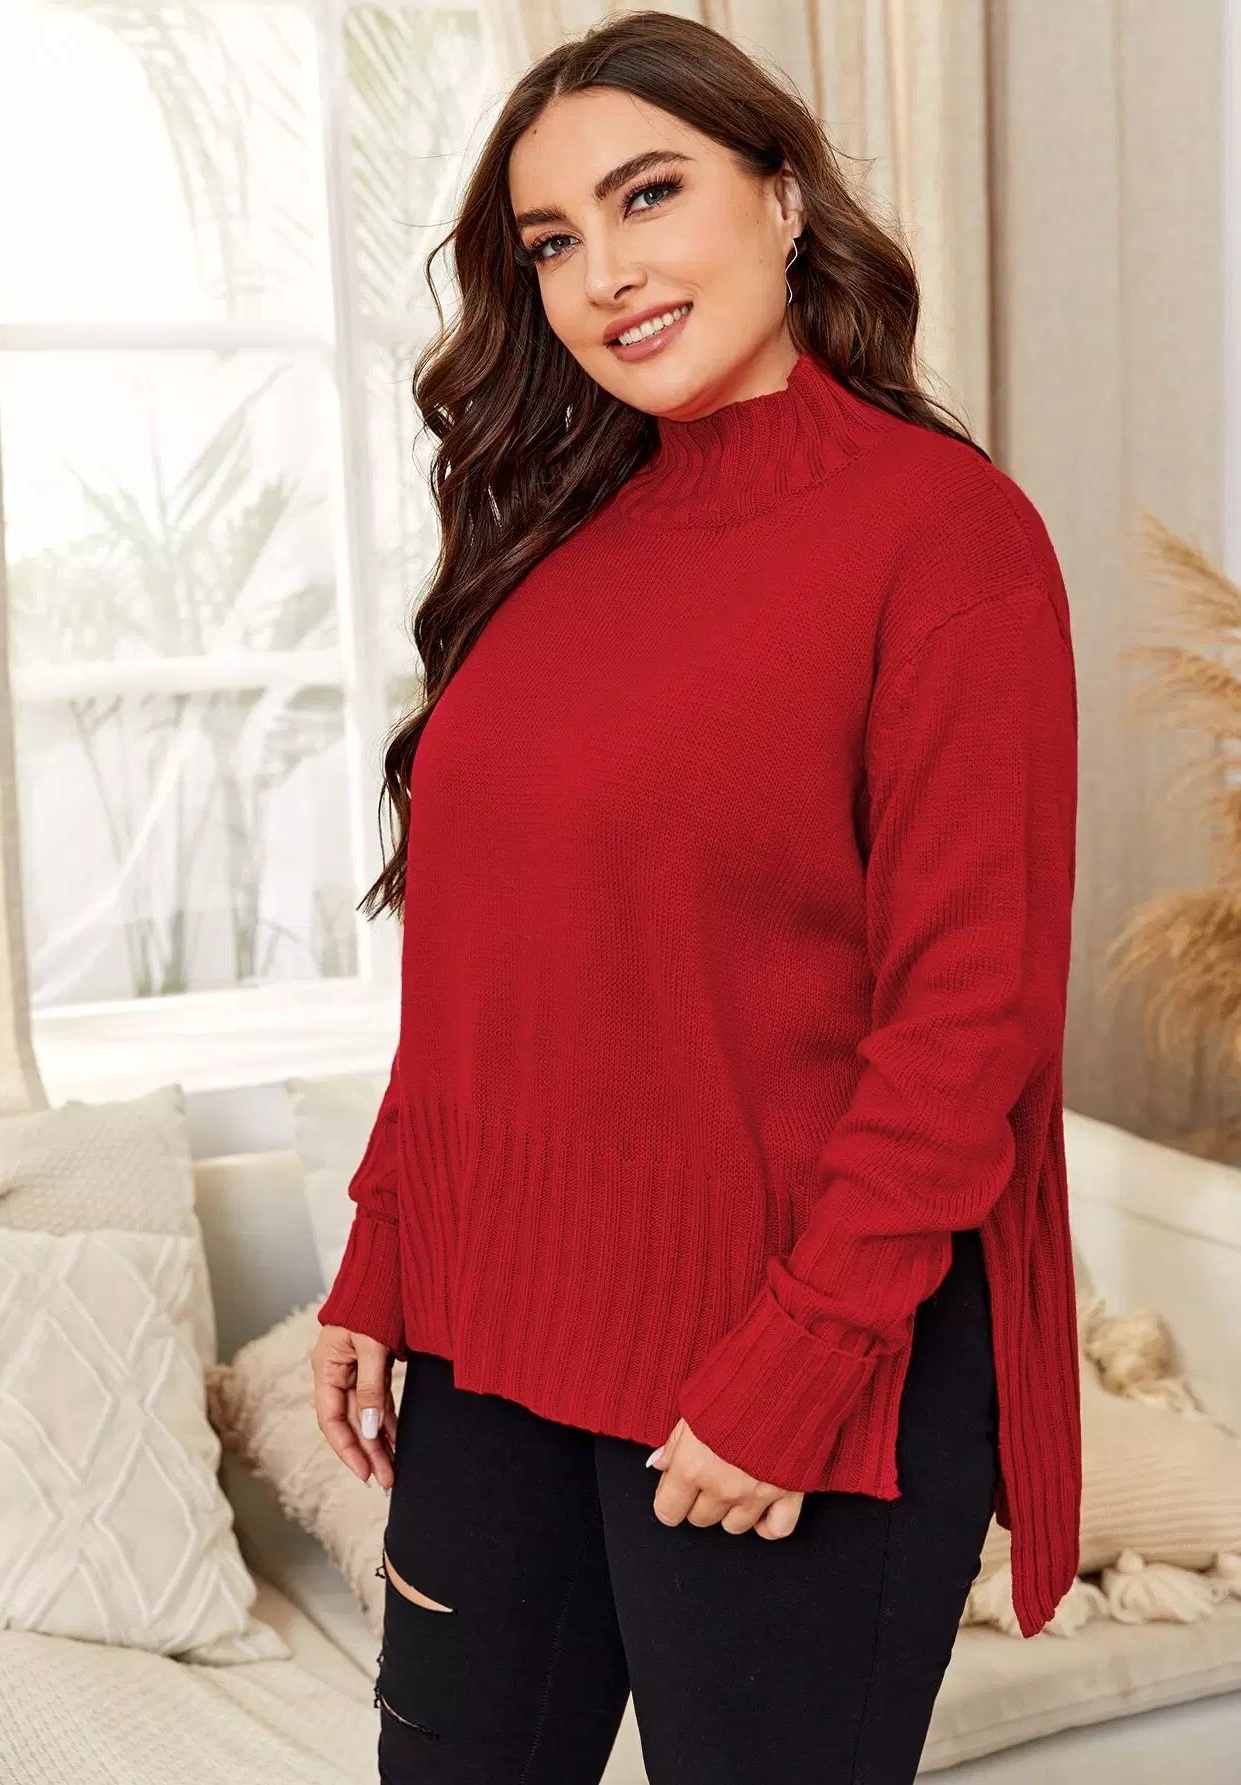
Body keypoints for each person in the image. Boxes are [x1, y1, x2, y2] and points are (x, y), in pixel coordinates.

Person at [311, 12, 1081, 1782]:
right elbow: (491, 965)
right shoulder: (552, 540)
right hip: (498, 1337)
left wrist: (801, 1359)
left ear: (784, 196)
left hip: (788, 1358)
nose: (605, 273)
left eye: (648, 195)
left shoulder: (946, 538)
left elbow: (968, 1018)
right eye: (553, 241)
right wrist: (387, 1250)